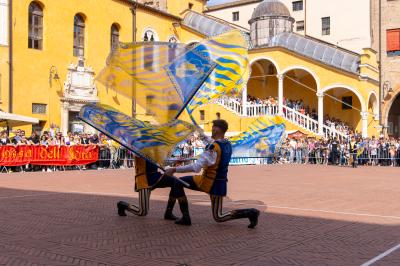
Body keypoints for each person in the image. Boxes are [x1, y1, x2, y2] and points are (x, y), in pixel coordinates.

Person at [165, 120, 260, 228]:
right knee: (218, 215)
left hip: (208, 182)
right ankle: (251, 213)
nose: (211, 129)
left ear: (217, 129)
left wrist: (174, 170)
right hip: (220, 183)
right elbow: (209, 140)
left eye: (213, 127)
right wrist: (196, 130)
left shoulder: (213, 148)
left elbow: (196, 167)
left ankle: (186, 218)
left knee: (218, 216)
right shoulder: (226, 144)